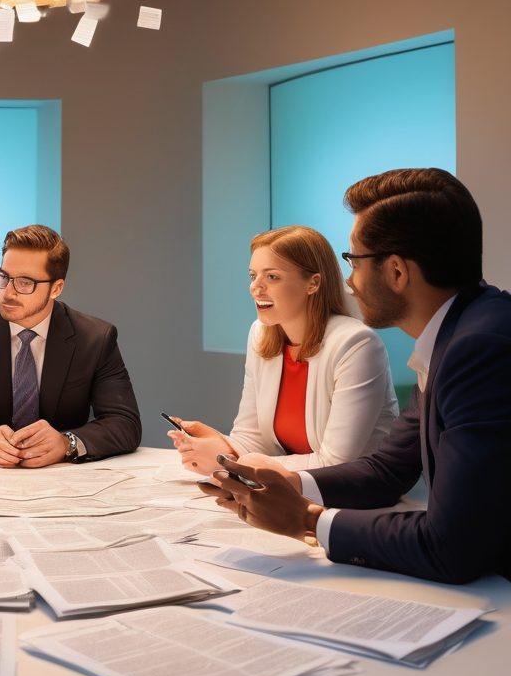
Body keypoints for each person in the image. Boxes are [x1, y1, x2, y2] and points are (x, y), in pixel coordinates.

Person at [201, 169, 511, 584]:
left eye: (354, 260)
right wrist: (285, 482)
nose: (347, 279)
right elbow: (387, 471)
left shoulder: (478, 350)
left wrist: (308, 521)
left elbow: (451, 545)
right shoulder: (459, 334)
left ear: (397, 272)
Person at [169, 225, 398, 473]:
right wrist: (222, 447)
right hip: (296, 490)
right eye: (252, 275)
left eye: (272, 277)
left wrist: (232, 462)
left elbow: (335, 463)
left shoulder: (357, 344)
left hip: (358, 495)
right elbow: (251, 437)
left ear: (313, 283)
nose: (255, 287)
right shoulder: (261, 333)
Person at [0, 224, 142, 466]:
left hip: (65, 479)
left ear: (56, 288)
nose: (8, 293)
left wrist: (65, 443)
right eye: (4, 277)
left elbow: (125, 423)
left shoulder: (95, 338)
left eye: (25, 282)